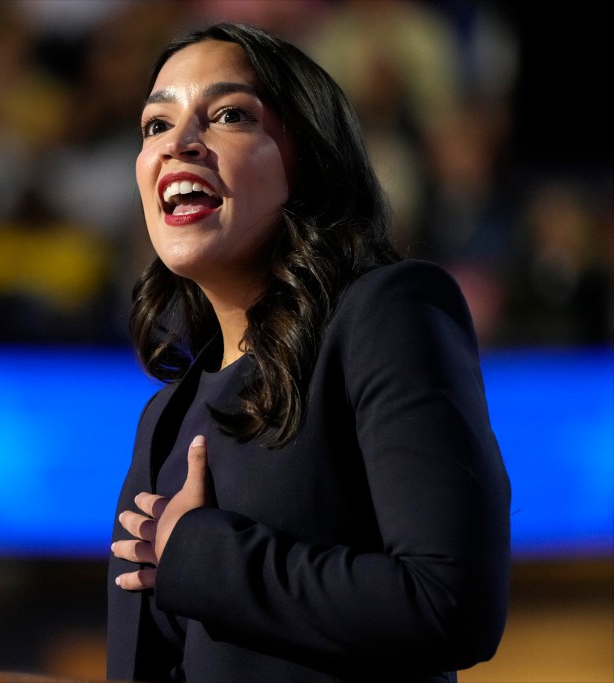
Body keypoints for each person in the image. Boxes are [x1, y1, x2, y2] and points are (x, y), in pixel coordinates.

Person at [107, 22, 511, 683]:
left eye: (230, 115)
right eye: (156, 125)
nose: (178, 145)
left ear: (310, 161)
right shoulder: (164, 418)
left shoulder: (390, 312)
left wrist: (200, 553)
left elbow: (452, 601)